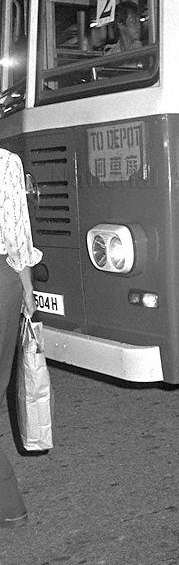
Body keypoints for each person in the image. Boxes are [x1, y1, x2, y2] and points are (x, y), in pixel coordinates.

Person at [0, 149, 42, 527]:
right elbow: (16, 236)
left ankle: (9, 503)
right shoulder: (6, 163)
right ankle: (9, 503)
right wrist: (27, 290)